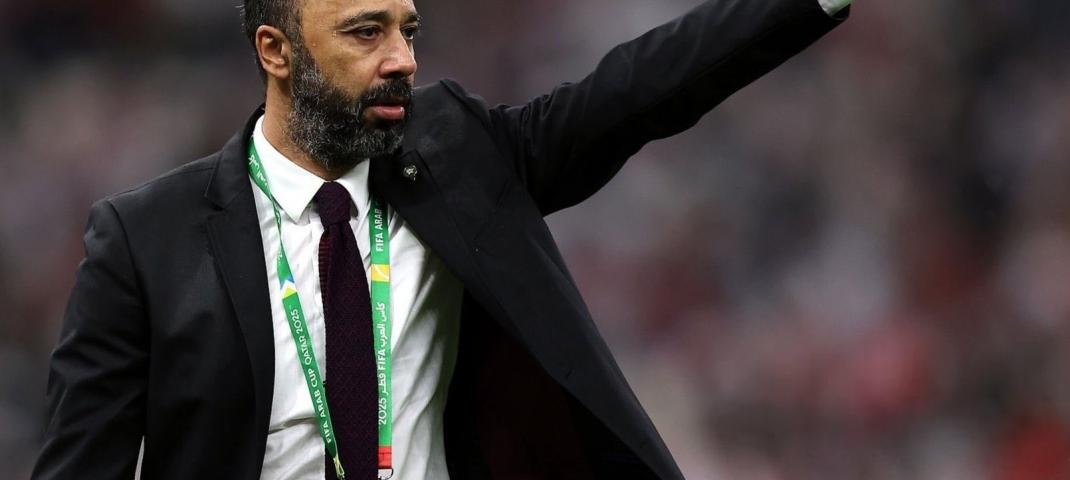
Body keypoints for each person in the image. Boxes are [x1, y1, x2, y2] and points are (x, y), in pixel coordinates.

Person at [32, 0, 850, 478]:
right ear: (275, 51)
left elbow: (633, 92)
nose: (401, 60)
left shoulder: (454, 155)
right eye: (366, 33)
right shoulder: (145, 239)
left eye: (408, 30)